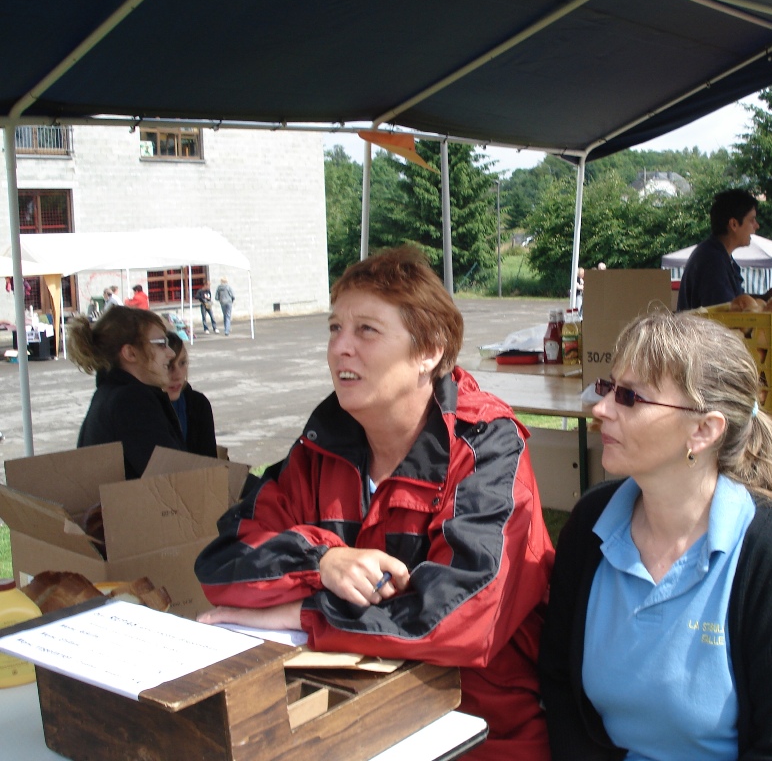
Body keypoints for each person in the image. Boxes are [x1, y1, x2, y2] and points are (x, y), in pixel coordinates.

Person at [194, 246, 555, 760]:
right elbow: (224, 562)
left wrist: (303, 612)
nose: (341, 348)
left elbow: (458, 616)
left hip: (479, 732)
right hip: (353, 723)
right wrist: (324, 562)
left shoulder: (486, 447)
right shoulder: (322, 446)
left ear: (429, 350)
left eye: (366, 330)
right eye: (334, 328)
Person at [538, 311, 772, 761]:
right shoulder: (591, 525)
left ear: (704, 430)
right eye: (608, 387)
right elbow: (558, 685)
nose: (601, 408)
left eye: (630, 397)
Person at [68, 306, 185, 479]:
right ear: (130, 353)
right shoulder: (131, 401)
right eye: (161, 344)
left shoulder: (109, 393)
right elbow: (174, 477)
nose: (170, 353)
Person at [677, 188, 759, 310]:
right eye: (752, 220)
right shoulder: (713, 262)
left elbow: (735, 302)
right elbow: (724, 313)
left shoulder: (717, 255)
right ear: (734, 224)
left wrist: (765, 297)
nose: (757, 226)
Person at [165, 331, 218, 458]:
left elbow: (210, 462)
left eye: (182, 363)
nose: (178, 375)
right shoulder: (141, 408)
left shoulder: (197, 404)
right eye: (167, 365)